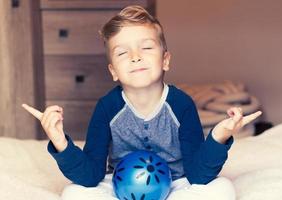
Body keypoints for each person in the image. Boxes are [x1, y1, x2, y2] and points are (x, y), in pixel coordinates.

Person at [22, 5, 262, 200]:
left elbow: (198, 174)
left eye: (146, 47)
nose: (135, 56)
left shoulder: (181, 105)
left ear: (165, 60)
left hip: (176, 184)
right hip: (119, 185)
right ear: (113, 71)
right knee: (73, 193)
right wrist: (61, 143)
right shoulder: (107, 107)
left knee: (222, 189)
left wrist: (218, 137)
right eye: (122, 53)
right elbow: (91, 175)